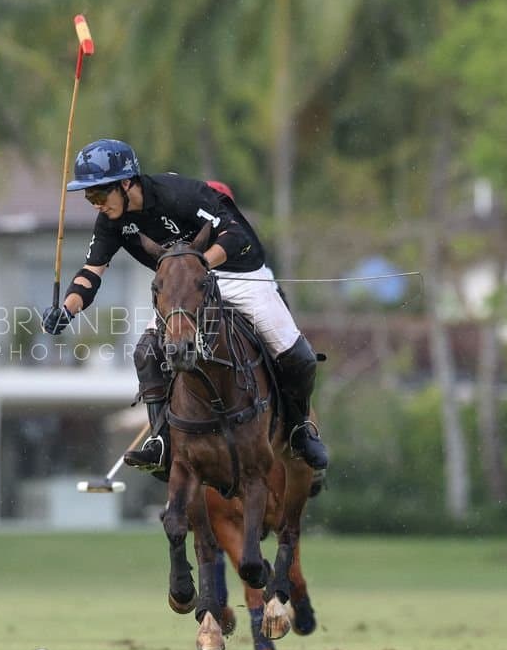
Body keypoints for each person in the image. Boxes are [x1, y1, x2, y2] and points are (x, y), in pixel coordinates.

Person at [43, 138, 328, 477]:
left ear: (126, 182)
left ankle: (299, 430)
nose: (95, 204)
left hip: (238, 273)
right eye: (90, 197)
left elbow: (236, 233)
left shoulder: (178, 194)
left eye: (98, 194)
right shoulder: (112, 221)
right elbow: (92, 272)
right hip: (183, 289)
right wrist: (68, 309)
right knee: (147, 353)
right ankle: (161, 442)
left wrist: (198, 266)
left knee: (299, 356)